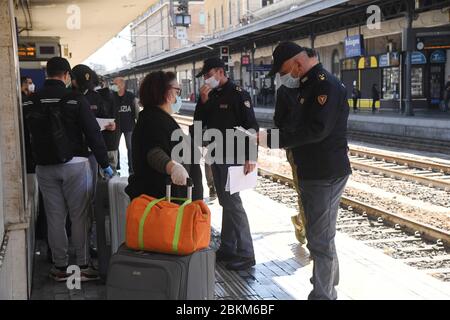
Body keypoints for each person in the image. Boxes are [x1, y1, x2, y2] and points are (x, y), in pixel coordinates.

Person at [260, 42, 352, 300]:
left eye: (286, 70)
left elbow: (316, 130)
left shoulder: (325, 85)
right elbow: (293, 124)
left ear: (297, 63)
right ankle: (329, 280)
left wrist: (269, 139)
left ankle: (323, 295)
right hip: (313, 171)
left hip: (325, 173)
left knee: (319, 241)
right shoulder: (309, 85)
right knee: (321, 235)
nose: (286, 76)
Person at [23, 57, 113, 282]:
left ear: (47, 74)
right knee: (79, 216)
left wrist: (31, 164)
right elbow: (93, 132)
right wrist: (105, 164)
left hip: (44, 167)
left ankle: (60, 267)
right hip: (76, 165)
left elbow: (24, 135)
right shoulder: (74, 98)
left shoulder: (31, 100)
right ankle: (82, 266)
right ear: (66, 76)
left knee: (55, 217)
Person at [194, 57, 259, 271]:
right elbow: (199, 124)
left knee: (233, 202)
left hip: (234, 155)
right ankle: (229, 247)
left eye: (208, 74)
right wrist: (202, 102)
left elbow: (251, 127)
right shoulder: (209, 96)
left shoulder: (238, 94)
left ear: (221, 72)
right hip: (216, 153)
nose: (206, 79)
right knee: (225, 200)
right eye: (204, 76)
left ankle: (246, 253)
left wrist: (251, 156)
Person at [125, 71, 200, 201]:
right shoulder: (153, 121)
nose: (178, 96)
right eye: (177, 91)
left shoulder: (155, 117)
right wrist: (172, 167)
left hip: (168, 198)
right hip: (165, 202)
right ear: (167, 93)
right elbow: (154, 153)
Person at [273, 84, 307, 245]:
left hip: (320, 151)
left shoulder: (319, 84)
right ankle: (307, 233)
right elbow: (278, 123)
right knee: (304, 192)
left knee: (315, 197)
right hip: (296, 150)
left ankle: (300, 221)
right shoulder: (284, 91)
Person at [112, 77, 139, 175]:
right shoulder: (112, 96)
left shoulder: (131, 97)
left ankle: (131, 168)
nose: (113, 86)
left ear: (122, 85)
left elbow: (136, 112)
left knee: (130, 147)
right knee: (115, 146)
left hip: (129, 126)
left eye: (115, 84)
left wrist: (139, 125)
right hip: (116, 127)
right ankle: (117, 165)